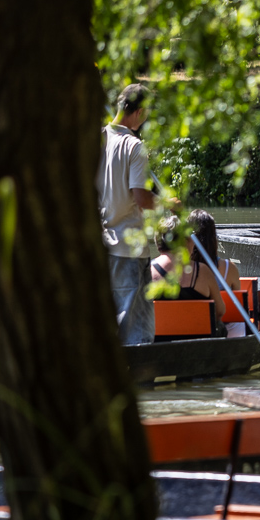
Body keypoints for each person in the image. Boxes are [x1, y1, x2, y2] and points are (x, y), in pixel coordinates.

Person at [98, 83, 157, 345]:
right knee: (136, 326)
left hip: (102, 242)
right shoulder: (135, 147)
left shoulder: (97, 138)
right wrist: (169, 205)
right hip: (129, 246)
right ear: (140, 111)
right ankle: (138, 376)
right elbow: (142, 198)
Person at [150, 209, 229, 336]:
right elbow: (220, 311)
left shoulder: (148, 271)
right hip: (200, 342)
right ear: (184, 240)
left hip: (159, 344)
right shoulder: (203, 271)